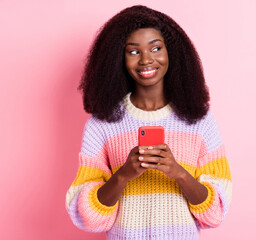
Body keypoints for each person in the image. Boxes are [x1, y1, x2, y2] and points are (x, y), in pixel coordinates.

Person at [65, 4, 232, 240]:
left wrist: (178, 173)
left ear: (171, 52)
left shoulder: (200, 121)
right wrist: (122, 175)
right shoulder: (102, 124)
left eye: (155, 48)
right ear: (118, 58)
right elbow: (90, 217)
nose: (146, 59)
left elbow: (215, 213)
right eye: (133, 51)